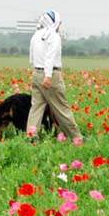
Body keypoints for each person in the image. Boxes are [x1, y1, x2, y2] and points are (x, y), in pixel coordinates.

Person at [27, 10, 83, 142]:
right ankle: (76, 137)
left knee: (36, 107)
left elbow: (31, 57)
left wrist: (38, 72)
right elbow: (50, 57)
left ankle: (31, 136)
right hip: (50, 74)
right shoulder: (54, 36)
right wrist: (48, 75)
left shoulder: (36, 35)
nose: (60, 24)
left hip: (36, 73)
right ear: (54, 22)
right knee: (61, 107)